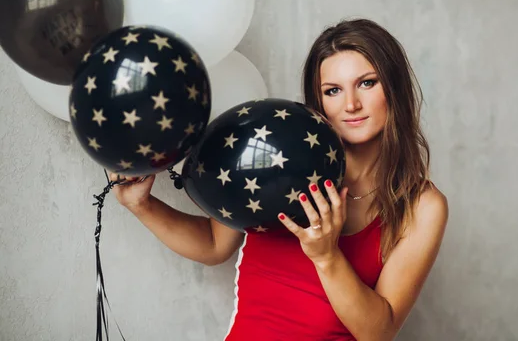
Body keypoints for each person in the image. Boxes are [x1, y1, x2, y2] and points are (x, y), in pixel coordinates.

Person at [109, 18, 449, 341]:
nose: (351, 104)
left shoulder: (423, 206)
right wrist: (142, 205)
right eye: (332, 90)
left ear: (394, 87)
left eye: (367, 83)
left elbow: (378, 333)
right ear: (319, 101)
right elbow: (214, 245)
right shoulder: (280, 155)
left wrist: (327, 257)